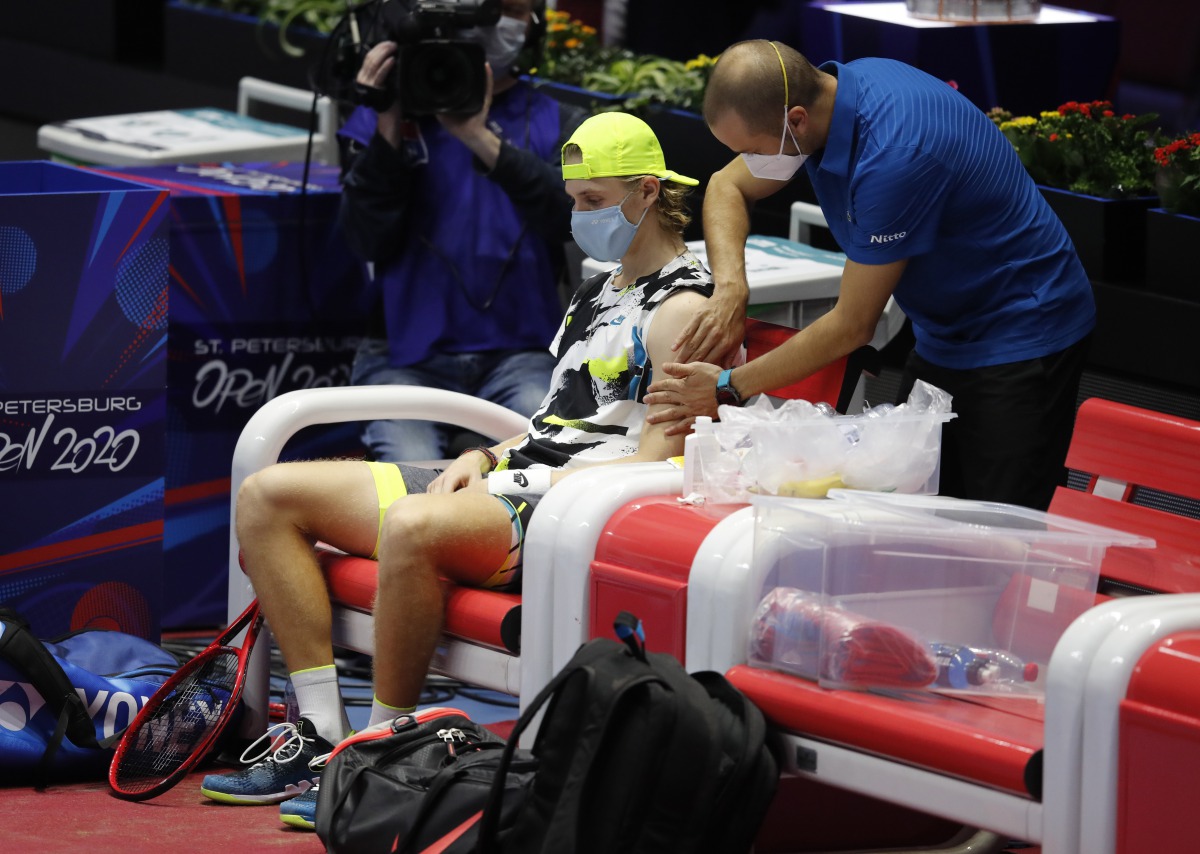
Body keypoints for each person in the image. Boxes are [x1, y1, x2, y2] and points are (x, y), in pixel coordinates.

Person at [199, 112, 713, 828]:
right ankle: (319, 732)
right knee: (268, 495)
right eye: (574, 199)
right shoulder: (601, 288)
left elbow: (660, 458)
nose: (578, 214)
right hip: (516, 480)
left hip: (576, 513)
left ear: (648, 191)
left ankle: (382, 752)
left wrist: (522, 483)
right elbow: (553, 421)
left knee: (412, 526)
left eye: (593, 201)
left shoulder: (684, 308)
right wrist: (483, 456)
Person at [646, 40, 1096, 511]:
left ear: (796, 119)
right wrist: (732, 290)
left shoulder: (894, 156)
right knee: (914, 507)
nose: (752, 162)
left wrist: (727, 387)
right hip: (945, 331)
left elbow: (853, 324)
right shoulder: (835, 94)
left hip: (1025, 330)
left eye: (754, 150)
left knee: (998, 530)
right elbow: (727, 185)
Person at [339, 0, 587, 462]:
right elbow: (363, 240)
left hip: (521, 353)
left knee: (550, 469)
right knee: (408, 493)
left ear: (534, 25)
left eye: (507, 8)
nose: (491, 23)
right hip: (404, 358)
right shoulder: (383, 118)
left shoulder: (559, 121)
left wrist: (478, 136)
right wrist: (389, 129)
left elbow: (569, 221)